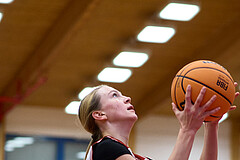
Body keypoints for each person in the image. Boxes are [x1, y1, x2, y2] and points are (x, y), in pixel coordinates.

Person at [78, 83, 239, 160]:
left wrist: (212, 125)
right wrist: (187, 130)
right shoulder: (106, 148)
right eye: (114, 95)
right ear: (99, 114)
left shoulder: (130, 155)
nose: (127, 98)